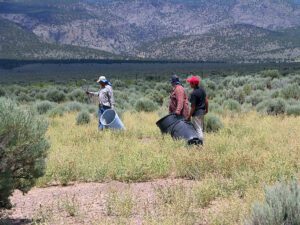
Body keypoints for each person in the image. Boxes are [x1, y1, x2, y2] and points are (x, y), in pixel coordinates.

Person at [186, 76, 208, 142]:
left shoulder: (194, 93)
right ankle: (199, 143)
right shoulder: (202, 90)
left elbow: (193, 107)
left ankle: (200, 144)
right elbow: (206, 101)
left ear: (194, 84)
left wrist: (189, 116)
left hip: (196, 114)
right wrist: (206, 110)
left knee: (198, 129)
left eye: (191, 83)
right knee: (200, 128)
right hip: (202, 112)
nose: (190, 84)